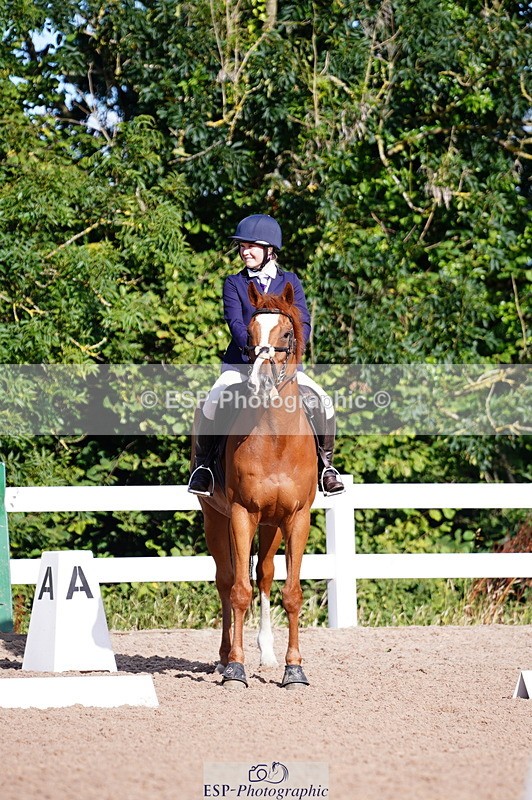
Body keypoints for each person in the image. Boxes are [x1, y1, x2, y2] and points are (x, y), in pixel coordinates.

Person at [188, 213, 345, 496]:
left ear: (269, 249)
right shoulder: (234, 283)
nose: (245, 251)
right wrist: (258, 353)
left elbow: (303, 321)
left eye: (252, 246)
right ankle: (204, 467)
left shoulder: (290, 281)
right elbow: (235, 323)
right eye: (242, 246)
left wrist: (292, 354)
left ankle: (326, 467)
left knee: (323, 401)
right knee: (212, 401)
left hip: (284, 366)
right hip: (242, 364)